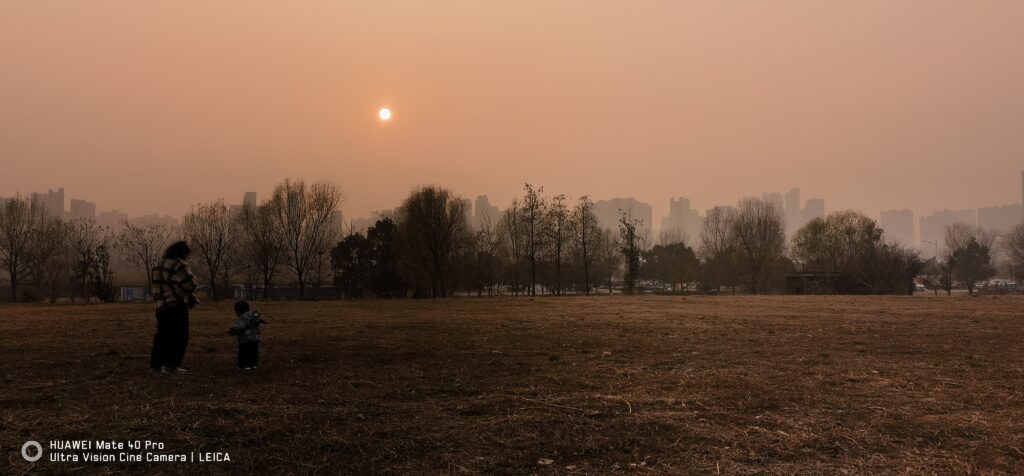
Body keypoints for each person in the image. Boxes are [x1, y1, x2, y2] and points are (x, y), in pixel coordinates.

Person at [149, 241, 199, 373]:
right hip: (175, 305)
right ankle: (171, 365)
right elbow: (190, 284)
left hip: (160, 306)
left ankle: (156, 365)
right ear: (182, 253)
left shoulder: (158, 264)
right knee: (179, 336)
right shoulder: (179, 265)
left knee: (162, 336)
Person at [228, 301, 266, 369]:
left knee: (243, 353)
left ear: (238, 311)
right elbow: (259, 320)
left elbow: (238, 327)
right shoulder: (254, 316)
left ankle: (243, 365)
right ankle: (254, 364)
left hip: (245, 340)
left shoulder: (243, 318)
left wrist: (232, 331)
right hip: (256, 338)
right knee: (254, 352)